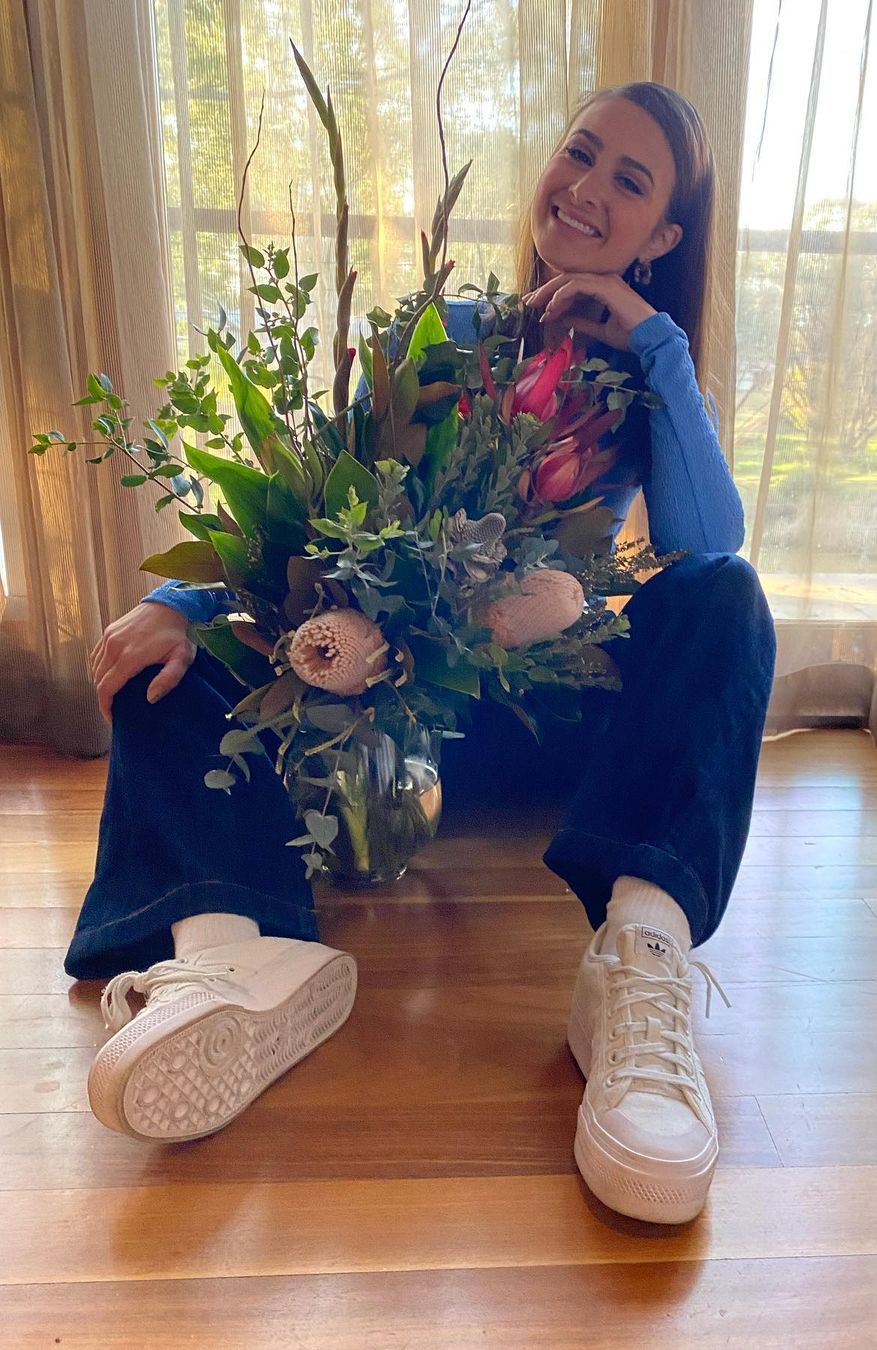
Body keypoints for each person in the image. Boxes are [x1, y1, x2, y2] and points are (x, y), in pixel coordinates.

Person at [68, 82, 776, 1226]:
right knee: (161, 655)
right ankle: (231, 957)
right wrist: (186, 601)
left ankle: (639, 955)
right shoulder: (448, 333)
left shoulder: (643, 377)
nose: (587, 188)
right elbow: (315, 509)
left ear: (663, 235)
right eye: (580, 154)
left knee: (725, 595)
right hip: (387, 706)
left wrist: (655, 344)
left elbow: (707, 541)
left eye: (630, 182)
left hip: (542, 713)